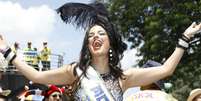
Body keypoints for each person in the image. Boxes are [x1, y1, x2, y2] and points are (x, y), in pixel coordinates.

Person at [0, 2, 200, 101]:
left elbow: (166, 69)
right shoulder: (74, 72)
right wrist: (6, 50)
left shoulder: (124, 78)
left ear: (110, 42)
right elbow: (35, 75)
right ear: (87, 45)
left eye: (101, 34)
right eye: (90, 35)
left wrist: (184, 39)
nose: (95, 37)